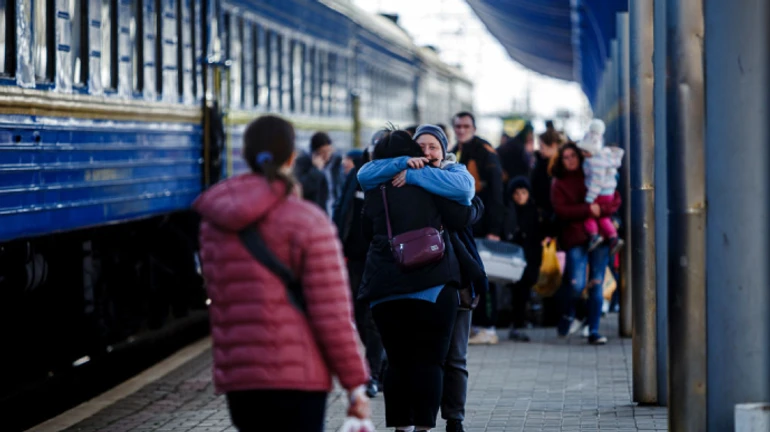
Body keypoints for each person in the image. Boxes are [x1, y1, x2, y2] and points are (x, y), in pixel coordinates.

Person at [193, 116, 370, 431]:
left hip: (241, 382)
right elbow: (331, 315)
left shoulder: (214, 223)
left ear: (246, 156)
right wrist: (355, 384)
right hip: (299, 379)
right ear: (291, 158)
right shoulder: (308, 221)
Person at [357, 124, 479, 432]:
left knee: (397, 363)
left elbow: (362, 229)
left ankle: (402, 428)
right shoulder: (435, 186)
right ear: (412, 153)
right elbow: (464, 207)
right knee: (430, 362)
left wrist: (407, 171)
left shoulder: (374, 189)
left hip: (386, 287)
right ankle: (424, 427)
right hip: (433, 283)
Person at [550, 142, 621, 345]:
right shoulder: (560, 182)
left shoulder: (593, 173)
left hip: (600, 237)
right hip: (575, 238)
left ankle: (594, 330)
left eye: (574, 155)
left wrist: (601, 210)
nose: (571, 160)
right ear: (561, 160)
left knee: (597, 284)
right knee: (576, 284)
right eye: (566, 157)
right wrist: (588, 210)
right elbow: (562, 210)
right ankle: (572, 315)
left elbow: (613, 199)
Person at [333, 141, 385, 399]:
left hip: (382, 259)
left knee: (374, 317)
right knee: (357, 312)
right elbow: (342, 210)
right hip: (354, 258)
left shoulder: (394, 177)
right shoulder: (358, 175)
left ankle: (374, 374)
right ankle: (377, 366)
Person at [450, 111, 504, 345]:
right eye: (458, 126)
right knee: (470, 275)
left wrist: (495, 228)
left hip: (483, 224)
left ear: (473, 127)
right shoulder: (454, 151)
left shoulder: (485, 151)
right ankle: (476, 324)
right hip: (466, 225)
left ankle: (489, 326)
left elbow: (496, 193)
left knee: (486, 275)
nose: (461, 129)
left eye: (465, 125)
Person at [501, 176, 543, 342]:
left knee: (523, 293)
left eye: (523, 193)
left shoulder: (534, 212)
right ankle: (516, 325)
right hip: (513, 261)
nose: (520, 196)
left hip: (530, 259)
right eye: (516, 193)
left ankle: (518, 324)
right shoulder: (508, 212)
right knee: (517, 294)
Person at [575, 119, 625, 254]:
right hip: (608, 192)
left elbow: (596, 182)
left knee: (589, 215)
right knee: (603, 218)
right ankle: (613, 237)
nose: (583, 154)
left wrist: (590, 199)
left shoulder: (595, 162)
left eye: (585, 151)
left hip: (600, 193)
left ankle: (594, 235)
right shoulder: (605, 156)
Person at [293, 132, 343, 215]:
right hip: (314, 212)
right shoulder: (303, 163)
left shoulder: (336, 163)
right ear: (314, 152)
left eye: (329, 151)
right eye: (323, 152)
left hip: (334, 211)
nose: (327, 155)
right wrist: (316, 170)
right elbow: (302, 188)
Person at [530, 122, 561, 238]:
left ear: (553, 145)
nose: (540, 150)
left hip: (552, 218)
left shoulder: (557, 167)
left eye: (542, 146)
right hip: (547, 216)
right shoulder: (543, 163)